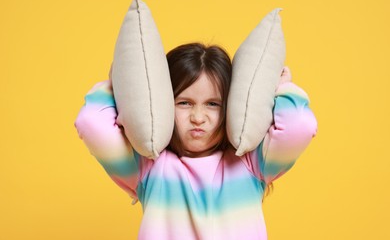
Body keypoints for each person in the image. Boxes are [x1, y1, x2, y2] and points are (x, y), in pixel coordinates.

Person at [75, 43, 317, 240]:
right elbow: (91, 124)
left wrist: (283, 89)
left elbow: (300, 127)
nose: (198, 118)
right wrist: (117, 87)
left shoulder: (251, 164)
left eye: (213, 104)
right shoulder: (149, 168)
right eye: (184, 103)